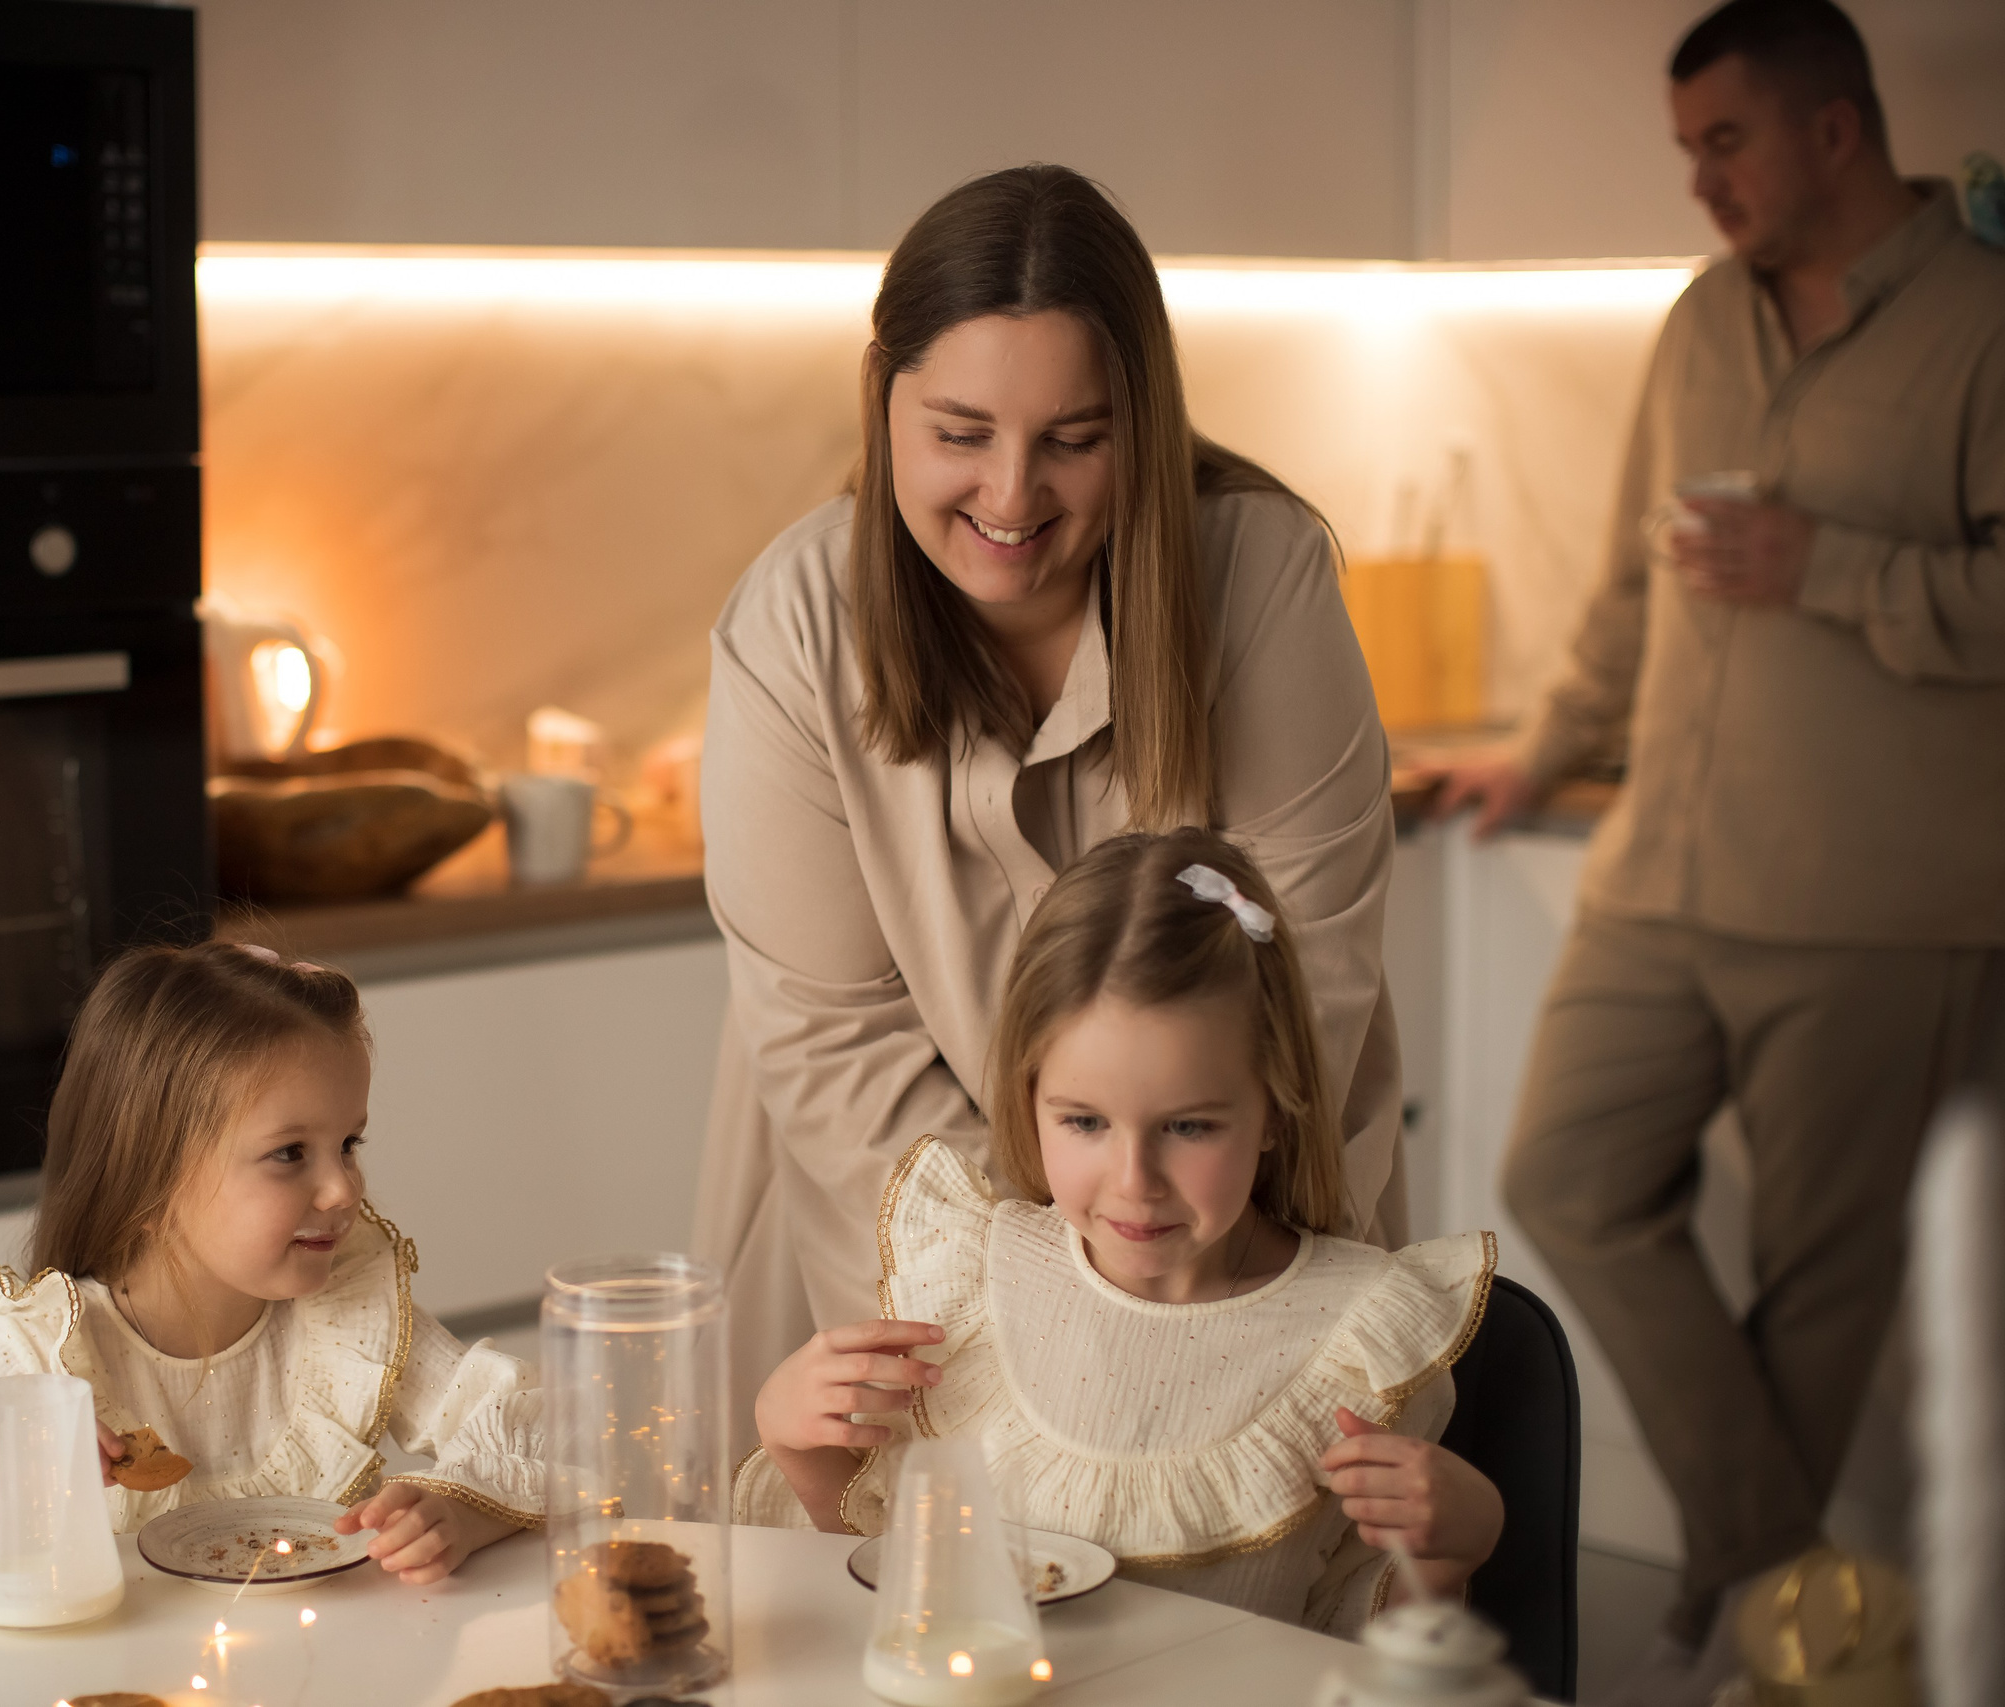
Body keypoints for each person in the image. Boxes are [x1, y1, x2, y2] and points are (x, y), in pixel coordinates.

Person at [1433, 0, 2004, 1696]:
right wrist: (1544, 747)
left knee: (1828, 1280)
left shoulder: (1986, 318)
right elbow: (1637, 576)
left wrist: (1826, 565)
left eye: (1725, 142)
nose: (1697, 182)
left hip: (1883, 898)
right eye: (1687, 149)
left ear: (1837, 128)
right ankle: (1773, 1571)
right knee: (1561, 1175)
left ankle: (1735, 1616)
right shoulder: (1696, 322)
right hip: (1659, 872)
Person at [697, 164, 1404, 1441]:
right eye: (960, 433)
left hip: (1219, 1250)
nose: (1012, 499)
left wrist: (1137, 1277)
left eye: (1073, 440)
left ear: (1142, 417)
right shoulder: (792, 625)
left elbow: (1308, 993)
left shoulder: (1260, 578)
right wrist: (1041, 1326)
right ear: (883, 404)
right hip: (902, 1258)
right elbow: (838, 1055)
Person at [738, 830, 1501, 1634]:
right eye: (1085, 1121)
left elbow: (1370, 1662)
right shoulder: (966, 1295)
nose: (1135, 1180)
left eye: (1189, 1126)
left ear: (1275, 1109)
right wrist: (799, 1445)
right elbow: (894, 1590)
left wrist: (1451, 1553)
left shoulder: (1358, 1345)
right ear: (1030, 1101)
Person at [0, 942, 541, 1584]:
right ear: (153, 1176)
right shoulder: (49, 1358)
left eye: (350, 1142)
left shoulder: (344, 1316)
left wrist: (465, 1508)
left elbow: (539, 1420)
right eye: (290, 1153)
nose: (343, 1187)